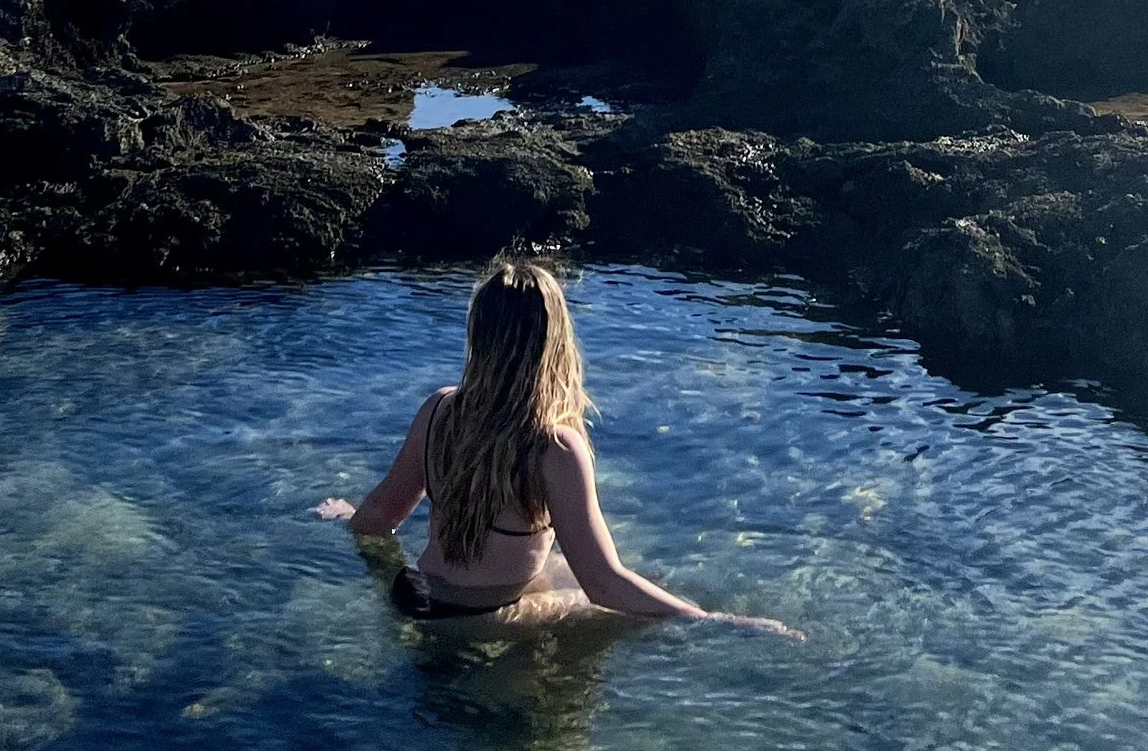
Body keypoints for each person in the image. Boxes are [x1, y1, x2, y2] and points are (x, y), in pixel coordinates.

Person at [317, 253, 795, 634]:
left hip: (415, 593)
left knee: (599, 576)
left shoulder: (440, 409)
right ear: (555, 341)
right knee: (643, 616)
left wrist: (347, 519)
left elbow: (380, 514)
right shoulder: (554, 447)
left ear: (477, 336)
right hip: (481, 622)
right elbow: (603, 583)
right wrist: (714, 624)